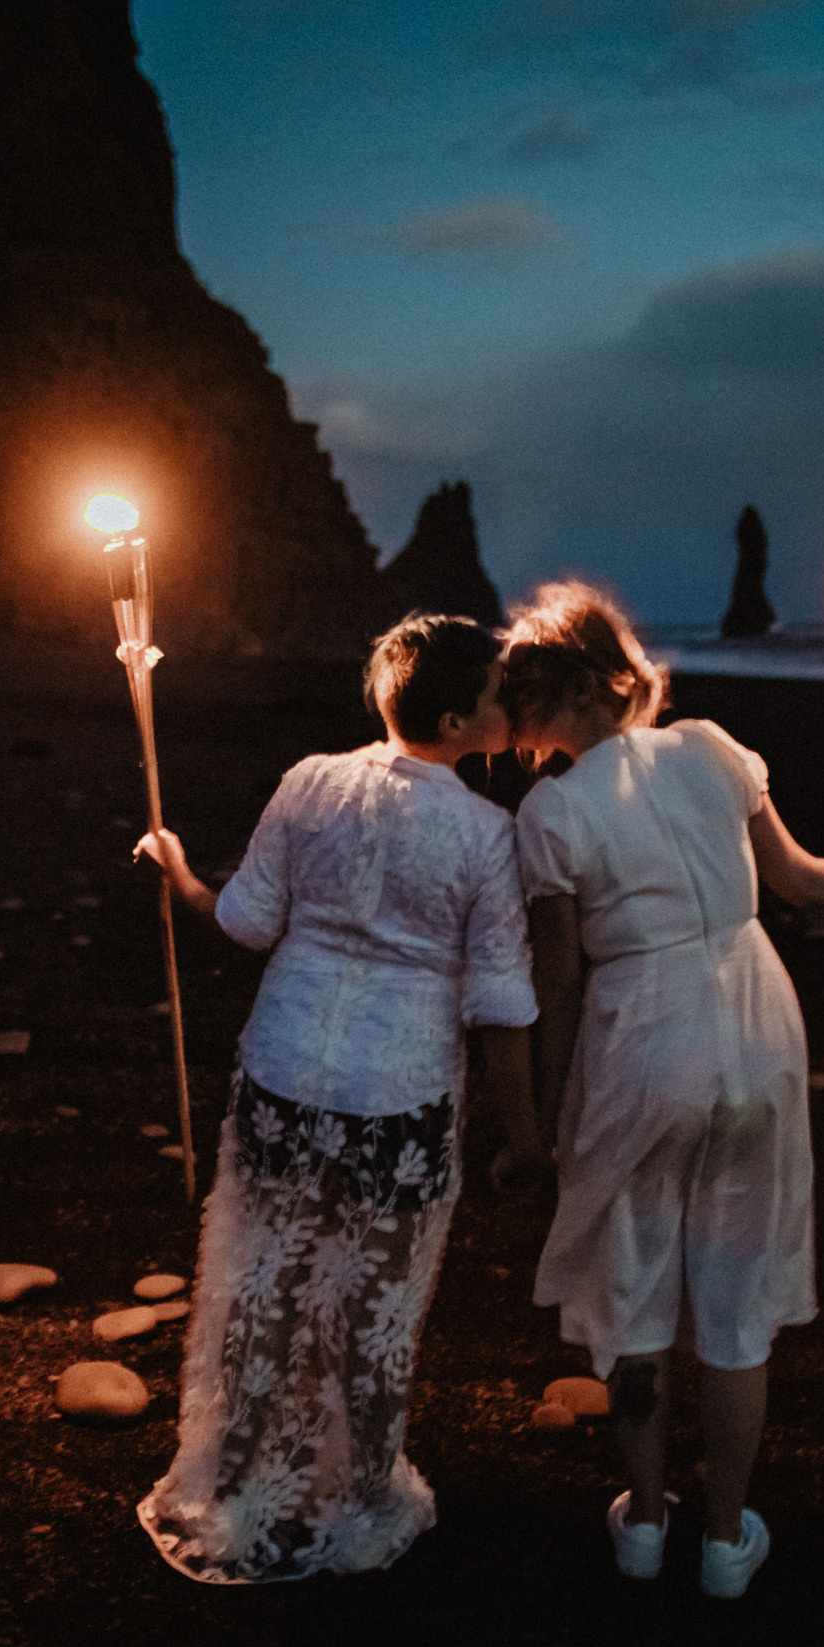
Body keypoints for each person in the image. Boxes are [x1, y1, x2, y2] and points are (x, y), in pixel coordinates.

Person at [498, 580, 824, 1599]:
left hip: (641, 1039)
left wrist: (548, 1117)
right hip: (755, 1021)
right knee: (736, 1307)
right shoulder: (708, 748)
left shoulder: (549, 813)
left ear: (541, 703)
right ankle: (726, 1541)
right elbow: (801, 882)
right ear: (620, 674)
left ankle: (645, 1526)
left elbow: (557, 985)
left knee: (638, 1291)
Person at [132, 613, 539, 1584]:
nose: (508, 709)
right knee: (375, 1303)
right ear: (453, 717)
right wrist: (526, 1134)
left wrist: (180, 872)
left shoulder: (309, 780)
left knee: (262, 1282)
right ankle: (359, 1501)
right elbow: (499, 1001)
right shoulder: (486, 834)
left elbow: (243, 921)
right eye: (494, 696)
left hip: (283, 1069)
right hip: (392, 1093)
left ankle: (233, 1483)